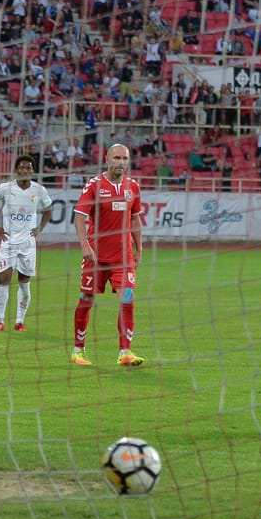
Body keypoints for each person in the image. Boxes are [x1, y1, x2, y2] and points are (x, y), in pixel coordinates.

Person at [71, 143, 145, 367]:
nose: (121, 162)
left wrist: (139, 247)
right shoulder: (94, 186)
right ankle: (78, 350)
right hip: (96, 257)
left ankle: (125, 352)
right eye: (117, 158)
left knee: (127, 299)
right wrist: (85, 246)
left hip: (123, 258)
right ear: (107, 159)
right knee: (86, 299)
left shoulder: (133, 187)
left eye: (125, 158)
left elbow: (135, 219)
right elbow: (79, 217)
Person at [0, 153, 52, 332]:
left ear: (32, 171)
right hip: (8, 242)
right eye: (21, 167)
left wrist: (39, 229)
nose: (25, 170)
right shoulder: (5, 188)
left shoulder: (39, 190)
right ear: (16, 170)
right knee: (3, 279)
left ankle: (20, 321)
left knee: (24, 283)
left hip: (28, 243)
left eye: (28, 167)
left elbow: (49, 209)